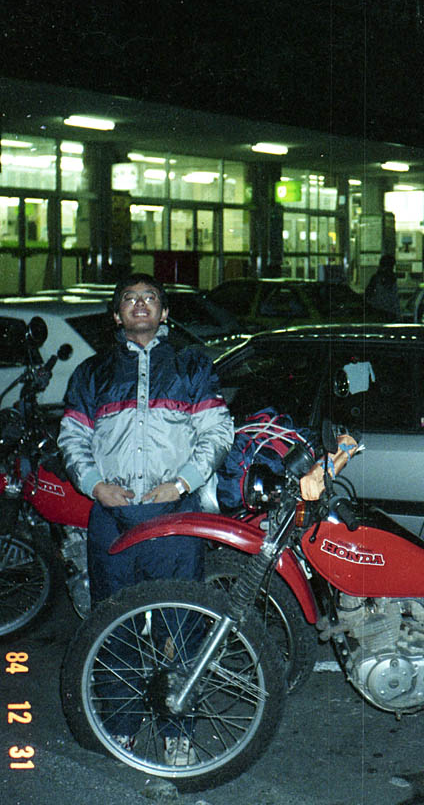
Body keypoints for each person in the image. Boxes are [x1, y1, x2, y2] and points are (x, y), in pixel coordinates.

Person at [58, 272, 234, 764]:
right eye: (130, 299)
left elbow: (217, 430)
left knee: (179, 625)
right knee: (112, 624)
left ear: (164, 312)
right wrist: (95, 484)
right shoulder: (91, 373)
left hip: (174, 516)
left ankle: (178, 729)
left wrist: (181, 483)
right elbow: (72, 437)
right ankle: (120, 725)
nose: (140, 305)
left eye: (150, 298)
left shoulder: (192, 366)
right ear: (117, 315)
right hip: (111, 517)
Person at [365, 253, 401, 318]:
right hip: (391, 313)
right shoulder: (393, 278)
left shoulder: (376, 278)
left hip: (377, 313)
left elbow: (368, 295)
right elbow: (395, 300)